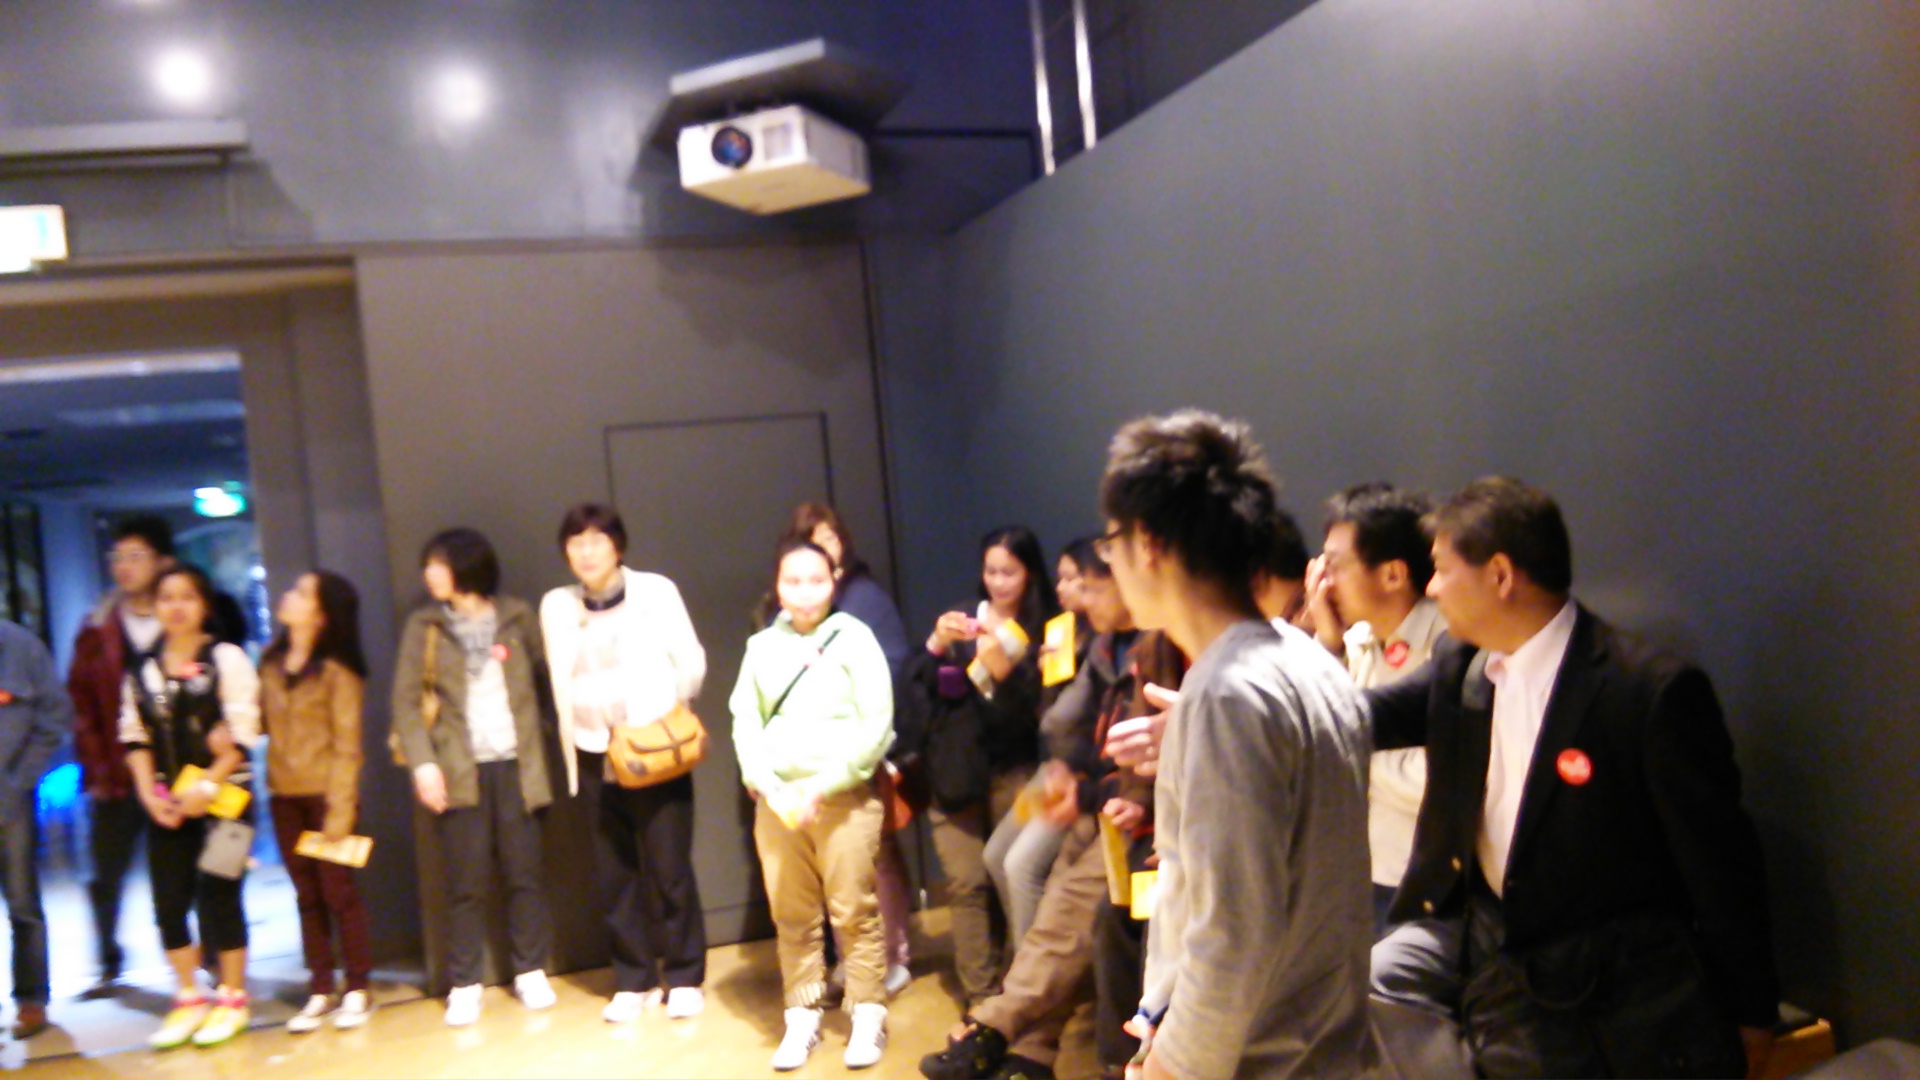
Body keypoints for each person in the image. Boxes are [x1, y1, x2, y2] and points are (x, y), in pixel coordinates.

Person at [1367, 478, 1778, 1080]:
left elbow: (1720, 864)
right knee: (1375, 982)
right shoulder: (1462, 661)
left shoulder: (1644, 690)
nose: (1431, 589)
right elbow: (1367, 715)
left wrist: (1752, 1010)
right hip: (1477, 925)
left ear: (1500, 575)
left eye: (1442, 571)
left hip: (1595, 963)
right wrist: (1247, 704)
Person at [1097, 409, 1374, 1079]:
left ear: (1148, 543)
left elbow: (1232, 935)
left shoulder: (1226, 696)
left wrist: (1171, 1069)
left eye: (1112, 542)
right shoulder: (1308, 663)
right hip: (1324, 1046)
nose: (1111, 562)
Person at [918, 542, 1159, 1080]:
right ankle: (1016, 1027)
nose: (1075, 592)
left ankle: (1005, 1022)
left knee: (1033, 874)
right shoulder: (1081, 636)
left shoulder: (1130, 639)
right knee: (1004, 862)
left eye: (1086, 583)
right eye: (1068, 580)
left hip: (1107, 799)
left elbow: (1120, 748)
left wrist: (1019, 672)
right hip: (1066, 779)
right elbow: (1060, 723)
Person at [539, 503, 709, 1024]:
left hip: (652, 749)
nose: (587, 551)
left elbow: (691, 661)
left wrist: (668, 717)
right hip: (592, 751)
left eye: (597, 540)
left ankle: (684, 977)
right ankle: (634, 980)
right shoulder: (557, 605)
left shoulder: (655, 591)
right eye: (576, 542)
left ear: (617, 546)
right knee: (614, 874)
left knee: (669, 867)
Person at [730, 540, 895, 1070]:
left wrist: (824, 785)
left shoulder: (855, 637)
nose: (804, 592)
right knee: (792, 914)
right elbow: (745, 721)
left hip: (843, 798)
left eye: (816, 580)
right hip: (779, 805)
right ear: (777, 585)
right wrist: (766, 783)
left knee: (853, 910)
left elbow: (876, 725)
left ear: (834, 581)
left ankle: (867, 1013)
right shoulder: (761, 646)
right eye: (793, 581)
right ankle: (802, 1017)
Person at [391, 528, 557, 1027]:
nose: (429, 574)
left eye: (438, 564)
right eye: (428, 565)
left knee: (525, 873)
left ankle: (530, 970)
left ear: (466, 566)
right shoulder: (424, 625)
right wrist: (424, 764)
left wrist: (546, 734)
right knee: (465, 881)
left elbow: (547, 678)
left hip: (518, 764)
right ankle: (465, 982)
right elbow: (405, 703)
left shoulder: (518, 616)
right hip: (459, 769)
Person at [904, 526, 1058, 1008]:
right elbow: (918, 690)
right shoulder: (965, 621)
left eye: (1009, 572)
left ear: (1030, 573)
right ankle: (981, 998)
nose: (998, 582)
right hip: (956, 769)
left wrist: (1006, 669)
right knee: (967, 883)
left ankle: (1023, 989)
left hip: (1019, 768)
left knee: (1018, 873)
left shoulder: (1048, 627)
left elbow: (1042, 710)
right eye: (990, 571)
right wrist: (935, 644)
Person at [118, 565, 261, 1049]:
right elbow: (135, 737)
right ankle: (187, 996)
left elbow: (241, 735)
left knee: (221, 894)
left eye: (186, 598)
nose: (175, 607)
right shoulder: (142, 668)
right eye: (166, 598)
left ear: (204, 606)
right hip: (169, 804)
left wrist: (206, 786)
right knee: (168, 900)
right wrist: (148, 794)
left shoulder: (226, 658)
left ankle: (233, 996)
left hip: (228, 800)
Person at [778, 503, 914, 994]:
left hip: (863, 749)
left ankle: (892, 958)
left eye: (831, 539)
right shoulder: (779, 615)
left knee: (875, 856)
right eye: (812, 539)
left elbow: (892, 670)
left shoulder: (864, 598)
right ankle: (847, 965)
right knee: (827, 863)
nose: (823, 549)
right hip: (804, 762)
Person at [1300, 483, 1447, 935]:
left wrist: (1344, 755)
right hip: (1357, 874)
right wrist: (1327, 642)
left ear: (1393, 575)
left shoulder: (1449, 643)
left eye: (1335, 565)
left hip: (1421, 885)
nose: (1323, 582)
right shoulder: (1356, 640)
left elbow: (1443, 780)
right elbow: (1310, 739)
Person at [260, 570, 375, 1032]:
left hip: (327, 795)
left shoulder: (337, 672)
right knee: (305, 895)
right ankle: (320, 987)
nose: (288, 596)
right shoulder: (270, 664)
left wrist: (340, 811)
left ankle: (358, 986)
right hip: (282, 794)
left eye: (301, 593)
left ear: (322, 615)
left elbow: (348, 747)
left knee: (338, 893)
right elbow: (259, 722)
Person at [979, 536, 1103, 955]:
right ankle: (1025, 961)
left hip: (1080, 775)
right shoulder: (1064, 630)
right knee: (996, 854)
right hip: (1052, 768)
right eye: (1060, 578)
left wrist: (1017, 674)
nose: (1062, 587)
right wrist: (1035, 670)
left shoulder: (1103, 640)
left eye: (1073, 579)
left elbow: (1074, 718)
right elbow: (1045, 716)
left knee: (1021, 865)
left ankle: (1031, 976)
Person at [66, 515, 173, 995]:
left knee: (183, 868)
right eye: (117, 558)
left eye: (135, 557)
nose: (123, 567)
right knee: (104, 873)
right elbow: (80, 701)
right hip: (116, 771)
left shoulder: (182, 618)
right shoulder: (96, 628)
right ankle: (108, 962)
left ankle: (206, 958)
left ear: (162, 562)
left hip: (176, 768)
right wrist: (94, 763)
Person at [0, 618, 67, 1040]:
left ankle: (31, 1000)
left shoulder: (19, 646)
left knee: (23, 902)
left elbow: (55, 716)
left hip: (10, 799)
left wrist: (19, 779)